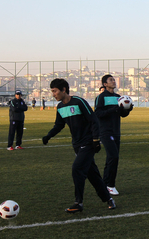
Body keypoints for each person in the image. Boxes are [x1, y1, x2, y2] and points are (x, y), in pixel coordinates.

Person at [42, 78, 116, 213]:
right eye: (52, 91)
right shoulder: (60, 107)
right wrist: (48, 136)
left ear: (64, 90)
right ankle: (108, 199)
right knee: (92, 175)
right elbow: (59, 125)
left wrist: (95, 140)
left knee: (77, 168)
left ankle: (78, 202)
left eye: (55, 91)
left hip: (88, 143)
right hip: (76, 145)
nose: (53, 94)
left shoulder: (79, 102)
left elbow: (94, 120)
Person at [94, 75, 133, 196]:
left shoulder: (118, 97)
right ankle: (110, 185)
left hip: (116, 131)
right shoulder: (101, 97)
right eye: (111, 80)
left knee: (112, 158)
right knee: (113, 156)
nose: (114, 81)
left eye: (114, 80)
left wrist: (127, 109)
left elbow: (122, 114)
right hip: (105, 132)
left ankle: (105, 184)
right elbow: (98, 113)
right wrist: (113, 109)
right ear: (105, 84)